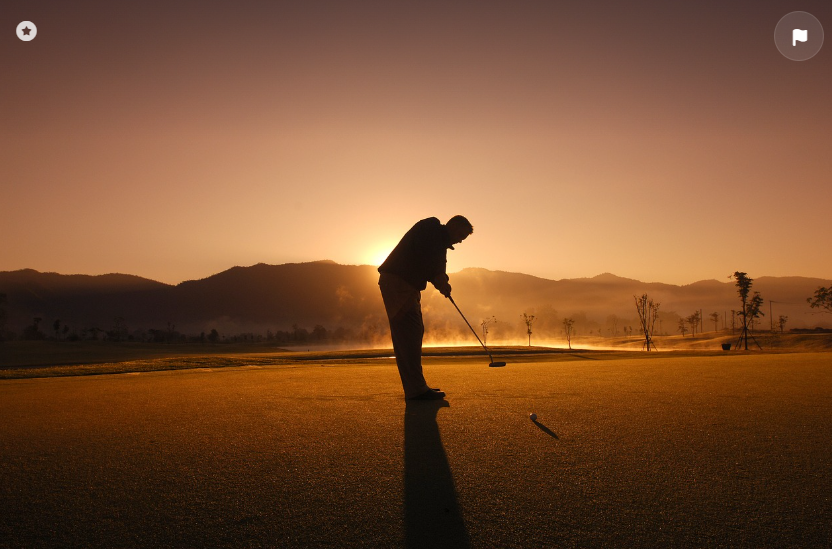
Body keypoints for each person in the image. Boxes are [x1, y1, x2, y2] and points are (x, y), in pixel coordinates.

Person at [378, 216, 474, 400]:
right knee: (409, 334)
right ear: (452, 225)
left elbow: (438, 267)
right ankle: (416, 390)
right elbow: (427, 256)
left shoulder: (440, 243)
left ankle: (416, 388)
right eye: (461, 235)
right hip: (399, 283)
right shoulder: (431, 227)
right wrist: (439, 280)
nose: (461, 240)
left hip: (407, 286)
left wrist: (442, 281)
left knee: (413, 332)